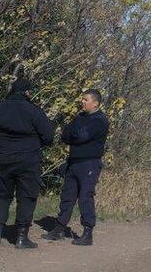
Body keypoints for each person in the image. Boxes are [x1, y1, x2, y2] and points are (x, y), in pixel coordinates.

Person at [0, 77, 54, 249]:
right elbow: (49, 136)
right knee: (27, 196)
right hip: (29, 159)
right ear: (27, 92)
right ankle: (21, 237)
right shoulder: (34, 111)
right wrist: (35, 144)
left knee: (1, 194)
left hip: (4, 157)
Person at [42, 89, 109, 246]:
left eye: (86, 99)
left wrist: (75, 135)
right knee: (67, 196)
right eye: (82, 99)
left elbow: (81, 137)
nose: (82, 102)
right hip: (73, 162)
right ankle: (59, 229)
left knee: (85, 196)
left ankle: (87, 233)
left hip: (89, 163)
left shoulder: (100, 120)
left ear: (95, 103)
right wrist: (74, 135)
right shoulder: (79, 117)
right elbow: (65, 135)